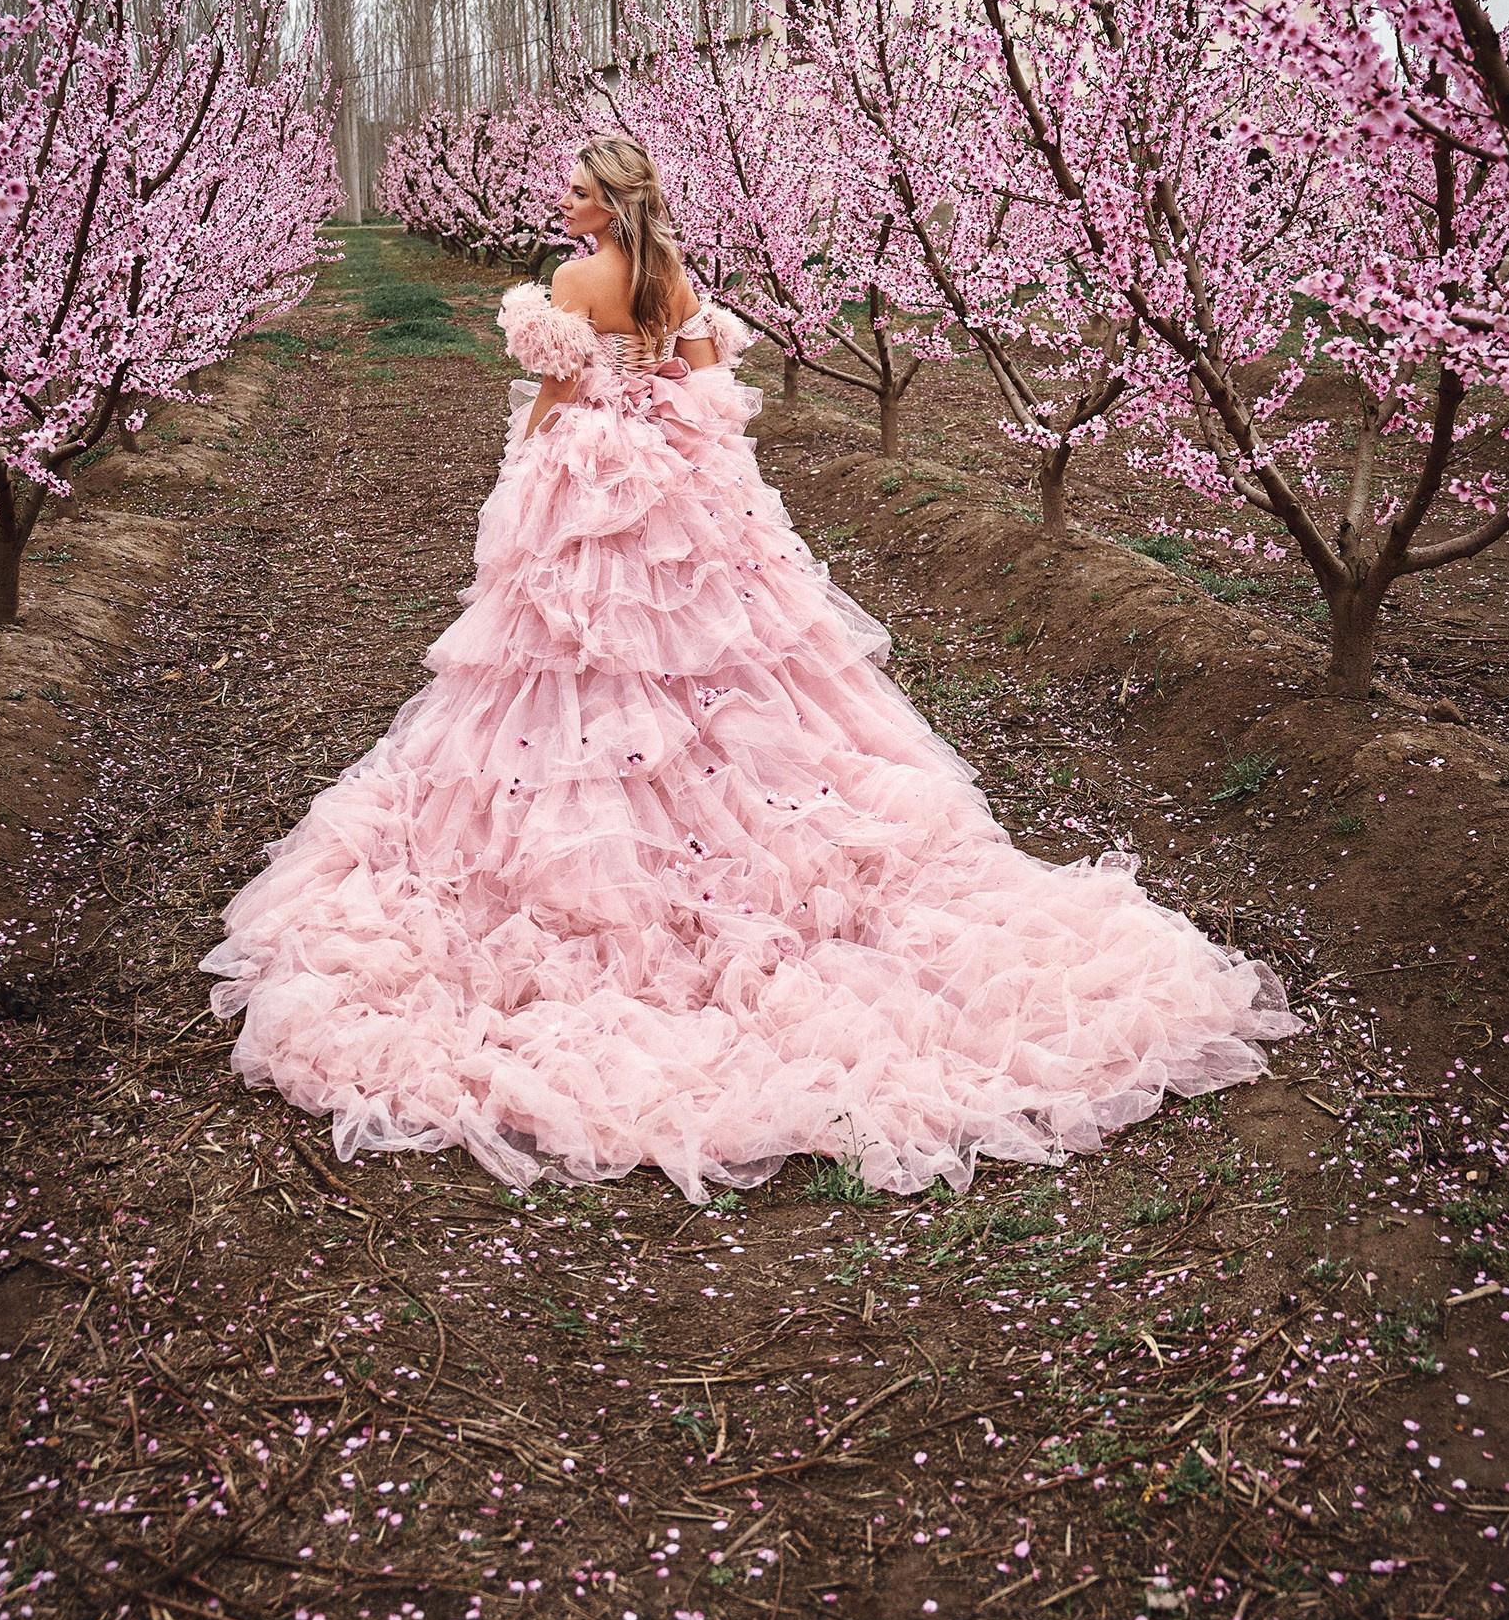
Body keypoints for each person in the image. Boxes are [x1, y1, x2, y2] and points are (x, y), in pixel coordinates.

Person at [200, 135, 1295, 1202]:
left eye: (578, 192)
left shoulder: (573, 281)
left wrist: (528, 464)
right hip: (679, 483)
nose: (565, 204)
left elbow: (556, 395)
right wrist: (670, 426)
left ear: (609, 203)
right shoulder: (671, 277)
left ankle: (619, 837)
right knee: (717, 651)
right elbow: (707, 387)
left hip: (593, 480)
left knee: (582, 646)